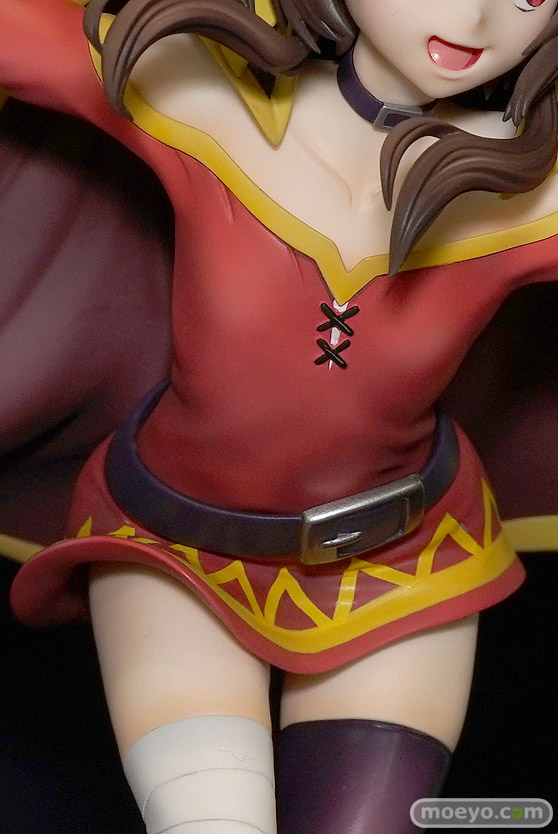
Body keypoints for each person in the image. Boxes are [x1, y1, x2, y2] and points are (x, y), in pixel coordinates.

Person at [4, 0, 558, 830]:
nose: (476, 17)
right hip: (177, 547)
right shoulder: (201, 101)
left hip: (403, 564)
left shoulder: (528, 188)